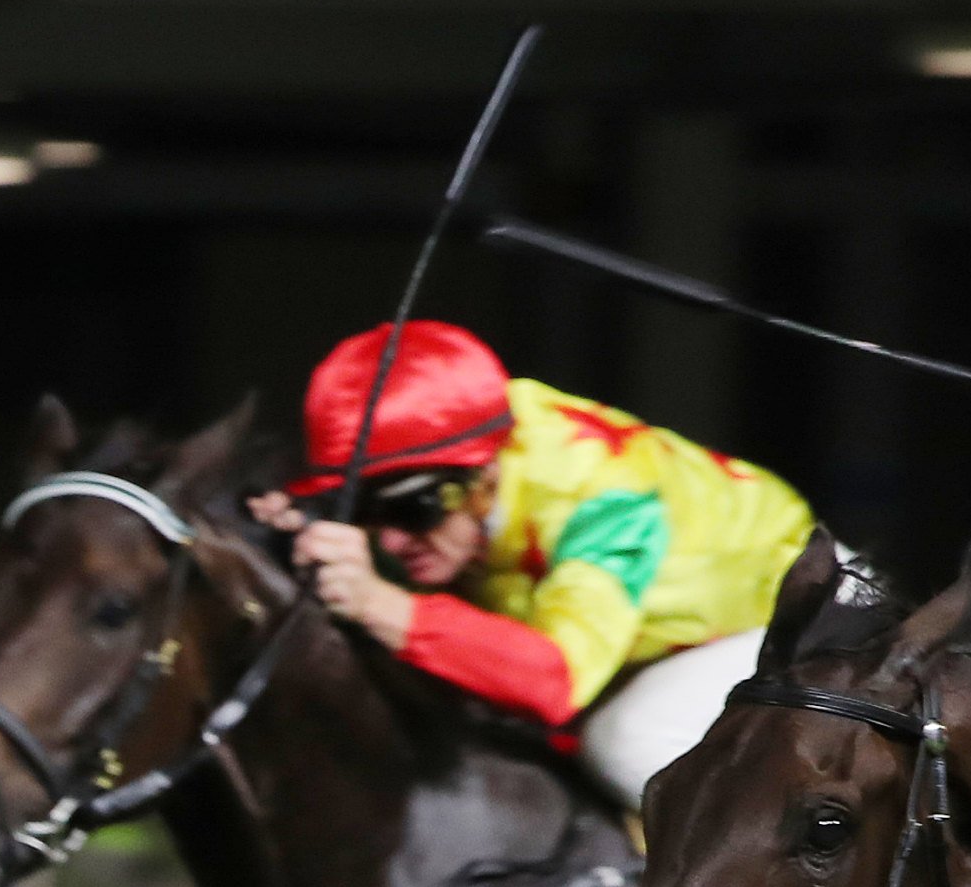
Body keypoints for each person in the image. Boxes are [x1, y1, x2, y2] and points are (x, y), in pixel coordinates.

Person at [247, 319, 817, 807]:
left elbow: (555, 681)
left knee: (627, 738)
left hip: (784, 614)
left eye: (413, 509)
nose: (389, 542)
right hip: (633, 642)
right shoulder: (464, 433)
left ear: (486, 474)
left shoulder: (603, 498)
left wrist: (382, 604)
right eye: (362, 511)